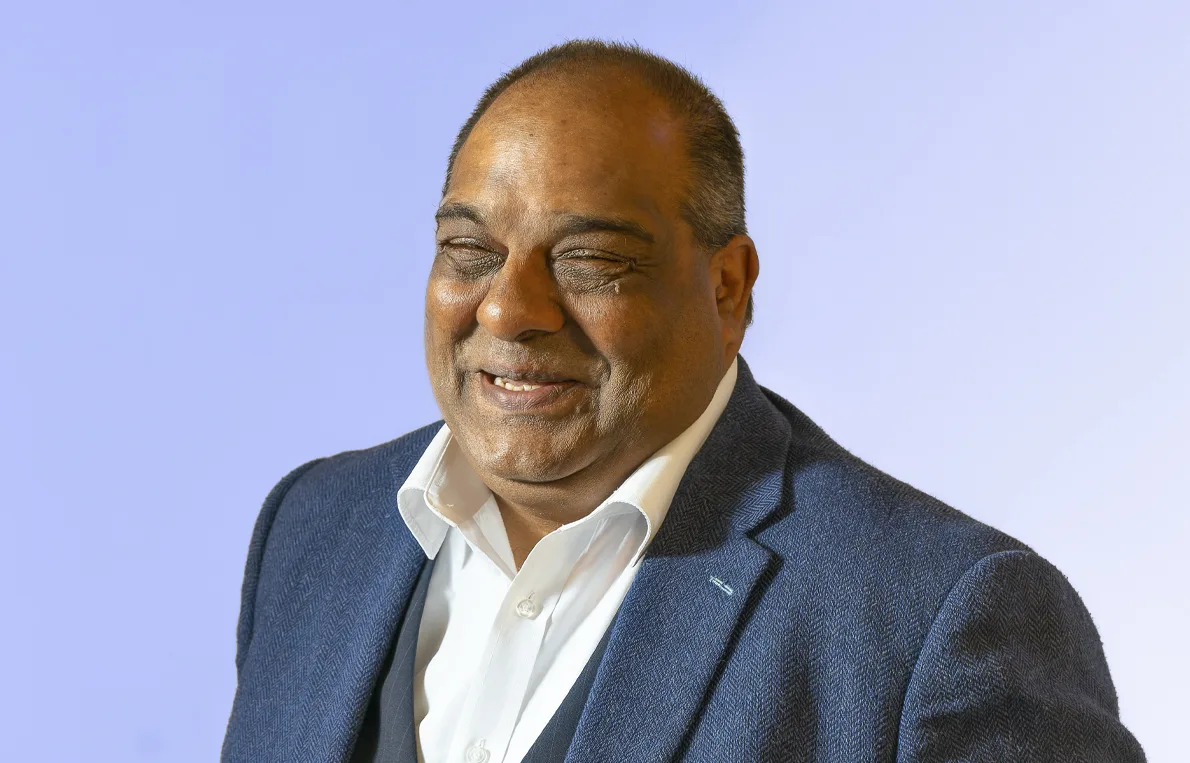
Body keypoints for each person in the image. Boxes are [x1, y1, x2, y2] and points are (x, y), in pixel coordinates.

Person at [221, 40, 1145, 762]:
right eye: (469, 252)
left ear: (728, 287)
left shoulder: (938, 622)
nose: (508, 309)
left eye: (589, 261)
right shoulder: (315, 529)